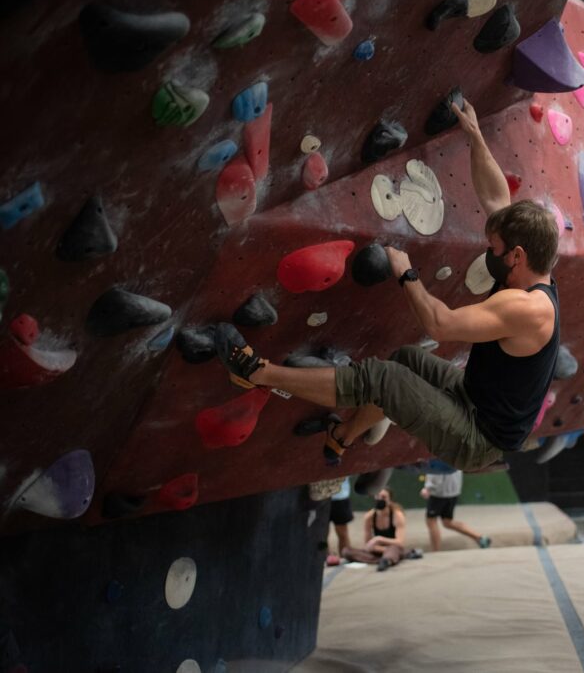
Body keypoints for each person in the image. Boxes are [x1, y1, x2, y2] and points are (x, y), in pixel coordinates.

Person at [210, 99, 561, 472]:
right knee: (406, 360)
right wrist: (475, 135)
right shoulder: (533, 267)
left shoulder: (529, 309)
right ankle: (343, 436)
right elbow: (496, 198)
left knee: (383, 378)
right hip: (474, 399)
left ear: (517, 256)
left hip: (477, 437)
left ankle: (256, 373)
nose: (489, 251)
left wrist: (407, 275)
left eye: (494, 248)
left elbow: (440, 324)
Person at [420, 469, 491, 552]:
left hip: (439, 492)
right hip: (454, 491)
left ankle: (435, 552)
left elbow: (437, 469)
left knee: (431, 521)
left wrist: (428, 487)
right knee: (447, 522)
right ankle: (480, 538)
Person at [343, 488, 407, 571]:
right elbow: (367, 544)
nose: (380, 499)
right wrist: (377, 548)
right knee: (346, 551)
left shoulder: (397, 515)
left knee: (394, 550)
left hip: (393, 548)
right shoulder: (369, 517)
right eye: (377, 496)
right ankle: (385, 560)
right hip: (377, 550)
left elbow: (400, 542)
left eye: (383, 497)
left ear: (390, 500)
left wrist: (378, 539)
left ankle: (388, 558)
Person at [326, 476, 352, 567]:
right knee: (322, 533)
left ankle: (345, 556)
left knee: (342, 532)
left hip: (341, 497)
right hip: (322, 498)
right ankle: (325, 557)